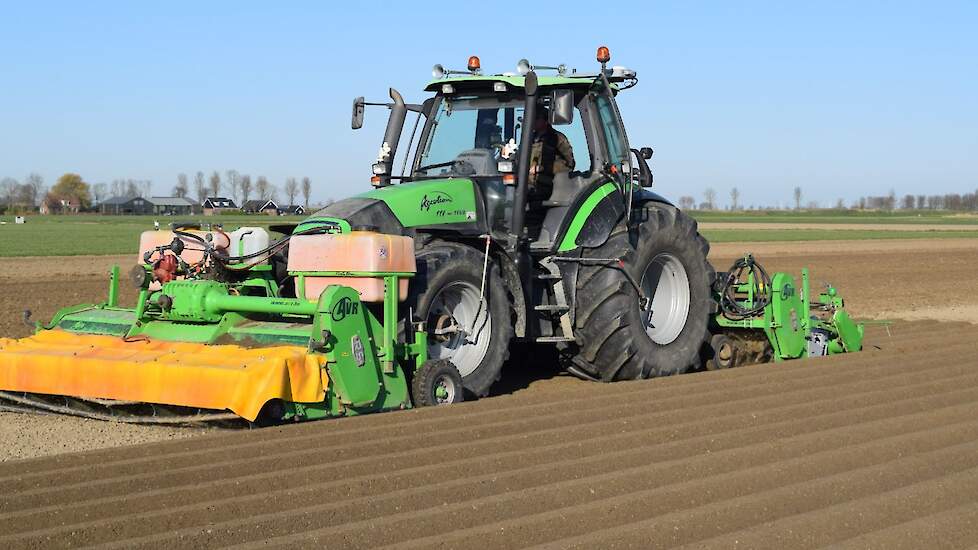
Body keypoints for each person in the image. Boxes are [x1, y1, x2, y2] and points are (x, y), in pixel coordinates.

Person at [528, 106, 575, 201]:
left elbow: (569, 164)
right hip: (526, 184)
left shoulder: (557, 139)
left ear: (546, 121)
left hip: (548, 186)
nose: (533, 121)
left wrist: (542, 168)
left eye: (536, 118)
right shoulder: (528, 138)